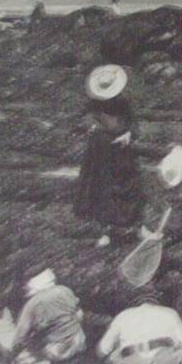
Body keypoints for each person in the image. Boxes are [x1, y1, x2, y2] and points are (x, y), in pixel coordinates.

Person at [74, 65, 144, 247]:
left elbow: (133, 123)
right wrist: (92, 128)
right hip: (101, 153)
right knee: (102, 190)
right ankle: (105, 231)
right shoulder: (93, 106)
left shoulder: (123, 104)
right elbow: (84, 121)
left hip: (123, 151)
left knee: (129, 187)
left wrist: (128, 134)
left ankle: (136, 227)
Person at [11, 268, 86, 363]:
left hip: (54, 350)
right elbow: (80, 315)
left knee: (27, 353)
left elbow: (21, 332)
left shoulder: (32, 304)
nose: (25, 287)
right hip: (79, 342)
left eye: (26, 284)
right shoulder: (65, 290)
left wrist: (14, 350)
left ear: (33, 283)